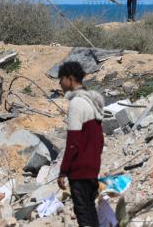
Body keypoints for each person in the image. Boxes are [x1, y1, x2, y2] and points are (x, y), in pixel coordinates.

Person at [57, 61, 104, 227]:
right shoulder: (92, 102)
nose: (60, 84)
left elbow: (73, 143)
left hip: (80, 170)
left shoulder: (76, 103)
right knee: (90, 210)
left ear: (70, 78)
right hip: (92, 168)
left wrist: (63, 171)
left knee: (83, 213)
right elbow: (100, 140)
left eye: (61, 79)